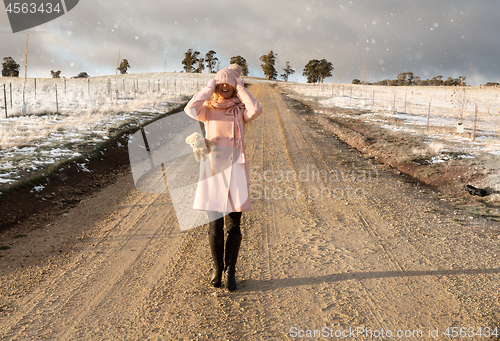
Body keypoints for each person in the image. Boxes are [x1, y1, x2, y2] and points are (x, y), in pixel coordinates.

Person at [184, 64, 262, 290]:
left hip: (235, 170)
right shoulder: (207, 109)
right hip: (213, 170)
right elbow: (190, 108)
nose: (225, 86)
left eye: (230, 83)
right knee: (214, 226)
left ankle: (231, 271)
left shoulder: (240, 110)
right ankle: (217, 269)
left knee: (234, 226)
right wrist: (210, 87)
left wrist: (240, 87)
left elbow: (256, 109)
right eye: (222, 83)